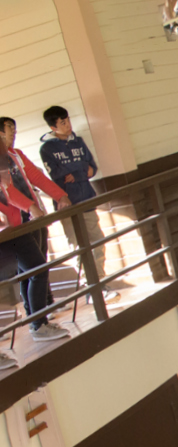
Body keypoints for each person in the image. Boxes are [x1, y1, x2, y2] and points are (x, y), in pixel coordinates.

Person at [0, 116, 74, 350]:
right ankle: (37, 323)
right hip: (13, 227)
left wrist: (60, 195)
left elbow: (37, 177)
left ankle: (37, 319)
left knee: (32, 270)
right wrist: (30, 207)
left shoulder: (16, 155)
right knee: (36, 269)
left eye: (14, 130)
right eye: (8, 131)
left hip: (30, 222)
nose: (13, 134)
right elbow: (6, 190)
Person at [37, 106, 112, 282]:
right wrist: (81, 168)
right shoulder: (47, 149)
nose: (68, 125)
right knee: (78, 246)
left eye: (68, 120)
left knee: (97, 240)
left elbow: (92, 168)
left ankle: (99, 279)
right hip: (67, 204)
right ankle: (89, 284)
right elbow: (57, 174)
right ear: (53, 127)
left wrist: (77, 173)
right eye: (62, 122)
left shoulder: (79, 142)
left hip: (86, 198)